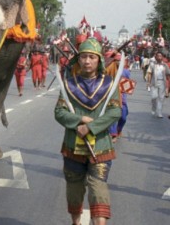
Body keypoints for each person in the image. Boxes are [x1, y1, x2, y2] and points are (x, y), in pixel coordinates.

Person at [54, 37, 121, 225]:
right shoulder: (68, 84)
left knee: (98, 191)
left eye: (92, 57)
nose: (87, 61)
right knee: (74, 192)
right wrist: (79, 120)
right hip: (72, 147)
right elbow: (59, 112)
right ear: (78, 59)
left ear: (99, 60)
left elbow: (115, 111)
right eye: (84, 57)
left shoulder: (109, 84)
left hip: (100, 147)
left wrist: (91, 127)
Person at [146, 51, 170, 118]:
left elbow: (168, 74)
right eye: (158, 56)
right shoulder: (152, 65)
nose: (159, 57)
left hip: (162, 82)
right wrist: (148, 82)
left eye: (160, 56)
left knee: (161, 98)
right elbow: (149, 73)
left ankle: (159, 112)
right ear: (156, 57)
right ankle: (154, 107)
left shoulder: (165, 65)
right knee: (154, 97)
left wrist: (168, 85)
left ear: (162, 57)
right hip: (154, 82)